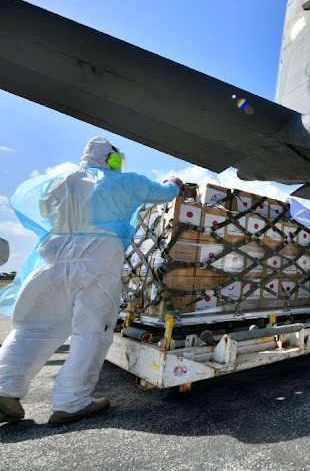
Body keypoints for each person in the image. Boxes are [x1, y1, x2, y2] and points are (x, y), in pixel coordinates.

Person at [0, 137, 182, 424]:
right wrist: (175, 183)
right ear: (113, 159)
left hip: (52, 257)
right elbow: (164, 193)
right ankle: (71, 402)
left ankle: (4, 388)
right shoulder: (127, 182)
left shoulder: (60, 183)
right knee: (92, 331)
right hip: (97, 258)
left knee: (33, 327)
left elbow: (48, 214)